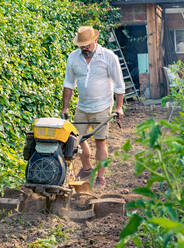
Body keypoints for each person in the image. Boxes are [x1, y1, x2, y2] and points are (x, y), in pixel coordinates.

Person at [61, 26, 125, 188]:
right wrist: (65, 108)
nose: (84, 49)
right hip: (82, 106)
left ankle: (100, 178)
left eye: (87, 46)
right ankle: (87, 168)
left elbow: (119, 84)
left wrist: (119, 107)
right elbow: (69, 84)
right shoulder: (73, 58)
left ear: (95, 41)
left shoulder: (109, 57)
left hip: (103, 106)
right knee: (74, 140)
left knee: (100, 141)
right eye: (81, 46)